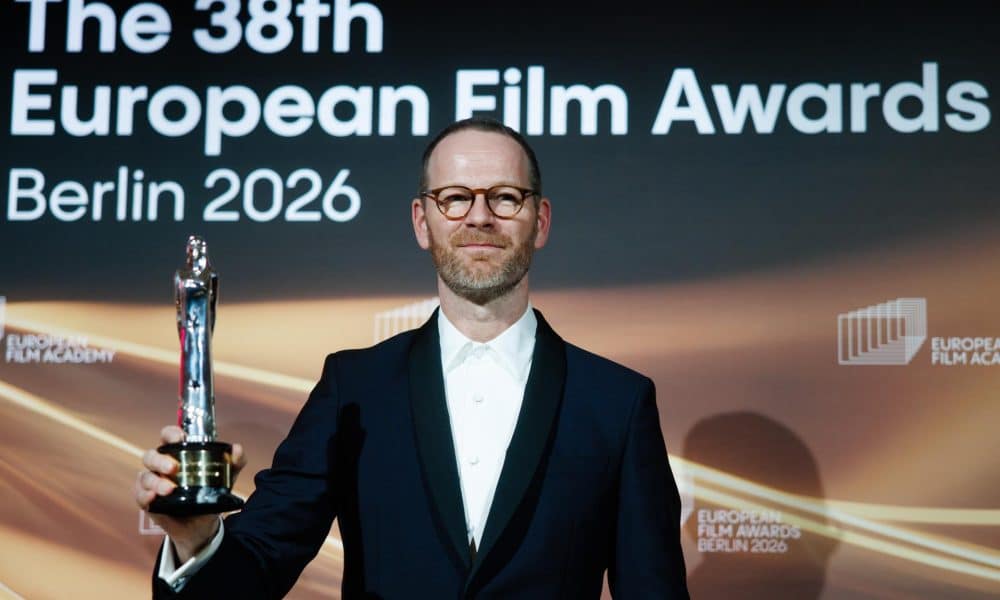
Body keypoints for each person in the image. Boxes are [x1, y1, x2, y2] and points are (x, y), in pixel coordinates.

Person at [136, 118, 689, 598]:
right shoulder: (355, 387)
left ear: (539, 221)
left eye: (504, 196)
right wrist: (195, 539)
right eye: (455, 197)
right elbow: (259, 564)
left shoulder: (616, 402)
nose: (480, 217)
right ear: (422, 222)